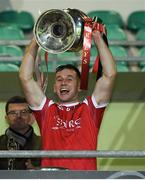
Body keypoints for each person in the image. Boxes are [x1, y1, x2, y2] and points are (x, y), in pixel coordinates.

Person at [19, 30, 117, 170]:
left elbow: (110, 75)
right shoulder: (45, 110)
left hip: (84, 179)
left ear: (79, 86)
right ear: (54, 87)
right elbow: (25, 77)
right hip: (52, 178)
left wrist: (97, 38)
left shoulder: (91, 108)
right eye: (59, 79)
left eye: (69, 79)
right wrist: (36, 40)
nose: (63, 83)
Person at [0, 96, 41, 170]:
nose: (18, 116)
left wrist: (38, 172)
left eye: (24, 112)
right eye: (13, 113)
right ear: (6, 118)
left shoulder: (45, 143)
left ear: (31, 117)